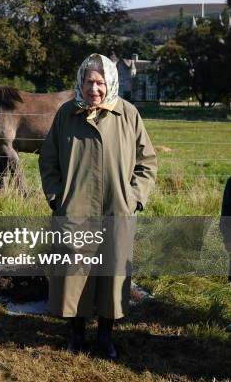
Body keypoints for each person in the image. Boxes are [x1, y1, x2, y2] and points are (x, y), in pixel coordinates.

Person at [38, 53, 157, 360]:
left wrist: (134, 197)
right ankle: (75, 334)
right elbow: (48, 159)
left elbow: (147, 162)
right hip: (74, 209)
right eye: (89, 82)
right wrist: (55, 196)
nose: (94, 89)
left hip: (116, 209)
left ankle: (105, 336)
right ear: (81, 82)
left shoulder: (128, 114)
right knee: (72, 273)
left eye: (100, 82)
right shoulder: (67, 113)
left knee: (112, 273)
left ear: (110, 83)